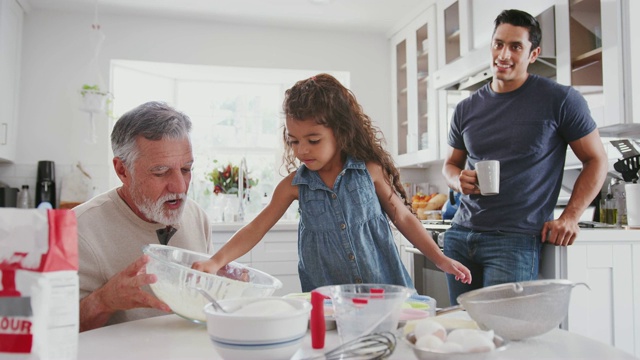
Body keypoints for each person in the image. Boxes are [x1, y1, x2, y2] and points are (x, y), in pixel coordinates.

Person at [193, 73, 471, 291]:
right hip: (329, 302)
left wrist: (439, 258)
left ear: (341, 131)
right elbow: (256, 227)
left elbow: (403, 217)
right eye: (294, 141)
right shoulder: (294, 186)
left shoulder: (369, 170)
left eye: (313, 140)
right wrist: (216, 261)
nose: (302, 150)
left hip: (386, 291)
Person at [441, 9, 608, 304]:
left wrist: (570, 217)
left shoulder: (561, 100)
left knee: (505, 336)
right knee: (463, 334)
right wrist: (457, 181)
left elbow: (597, 160)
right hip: (460, 237)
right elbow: (450, 164)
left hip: (515, 241)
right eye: (498, 43)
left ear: (533, 54)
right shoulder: (466, 109)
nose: (504, 54)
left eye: (516, 46)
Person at [75, 101, 213, 331]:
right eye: (161, 172)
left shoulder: (196, 216)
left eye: (186, 169)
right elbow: (52, 327)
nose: (179, 186)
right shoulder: (79, 230)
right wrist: (103, 301)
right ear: (122, 170)